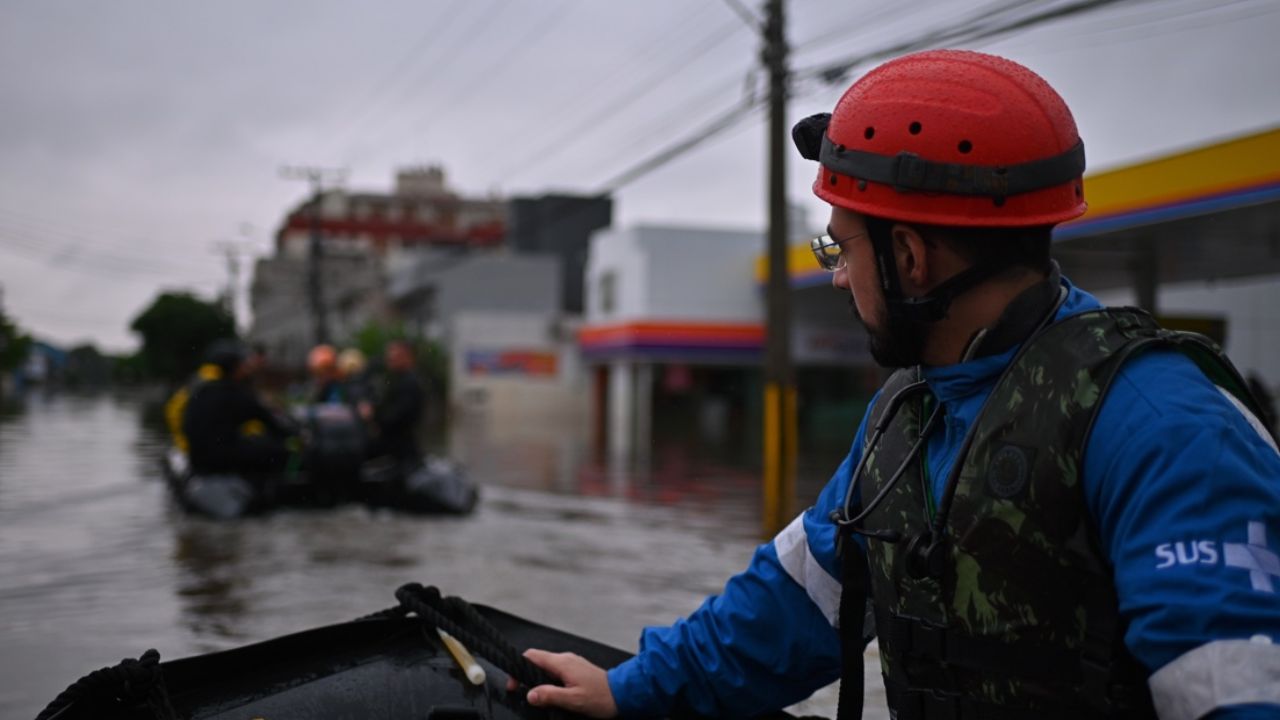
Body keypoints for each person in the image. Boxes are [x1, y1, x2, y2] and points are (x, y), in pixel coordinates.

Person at [514, 50, 1280, 719]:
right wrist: (631, 689)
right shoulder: (912, 412)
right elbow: (793, 601)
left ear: (910, 258)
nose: (840, 277)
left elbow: (1237, 686)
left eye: (839, 248)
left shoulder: (1168, 427)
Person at [182, 339, 295, 476]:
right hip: (220, 462)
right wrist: (294, 435)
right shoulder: (235, 393)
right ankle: (287, 487)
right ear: (236, 367)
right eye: (243, 364)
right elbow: (269, 422)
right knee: (285, 450)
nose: (246, 367)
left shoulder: (202, 390)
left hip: (199, 461)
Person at [361, 339, 425, 462]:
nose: (389, 360)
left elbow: (396, 417)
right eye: (389, 356)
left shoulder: (409, 383)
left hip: (399, 449)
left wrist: (372, 415)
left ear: (408, 357)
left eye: (394, 356)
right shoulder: (399, 380)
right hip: (396, 445)